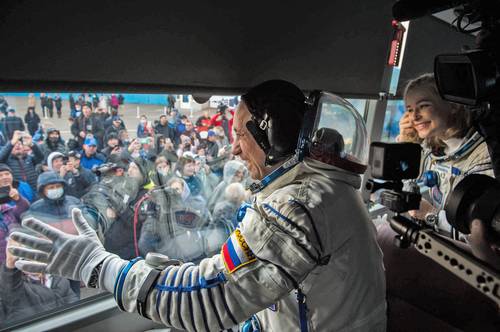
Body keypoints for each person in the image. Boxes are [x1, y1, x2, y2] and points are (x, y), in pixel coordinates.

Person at [9, 80, 386, 331]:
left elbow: (211, 301)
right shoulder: (324, 189)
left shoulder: (297, 206)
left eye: (239, 133)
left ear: (277, 139)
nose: (234, 147)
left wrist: (97, 266)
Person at [398, 73, 494, 238]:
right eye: (410, 110)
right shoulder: (430, 149)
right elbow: (403, 188)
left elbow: (482, 236)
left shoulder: (485, 155)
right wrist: (407, 146)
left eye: (423, 106)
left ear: (453, 106)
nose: (414, 117)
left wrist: (431, 215)